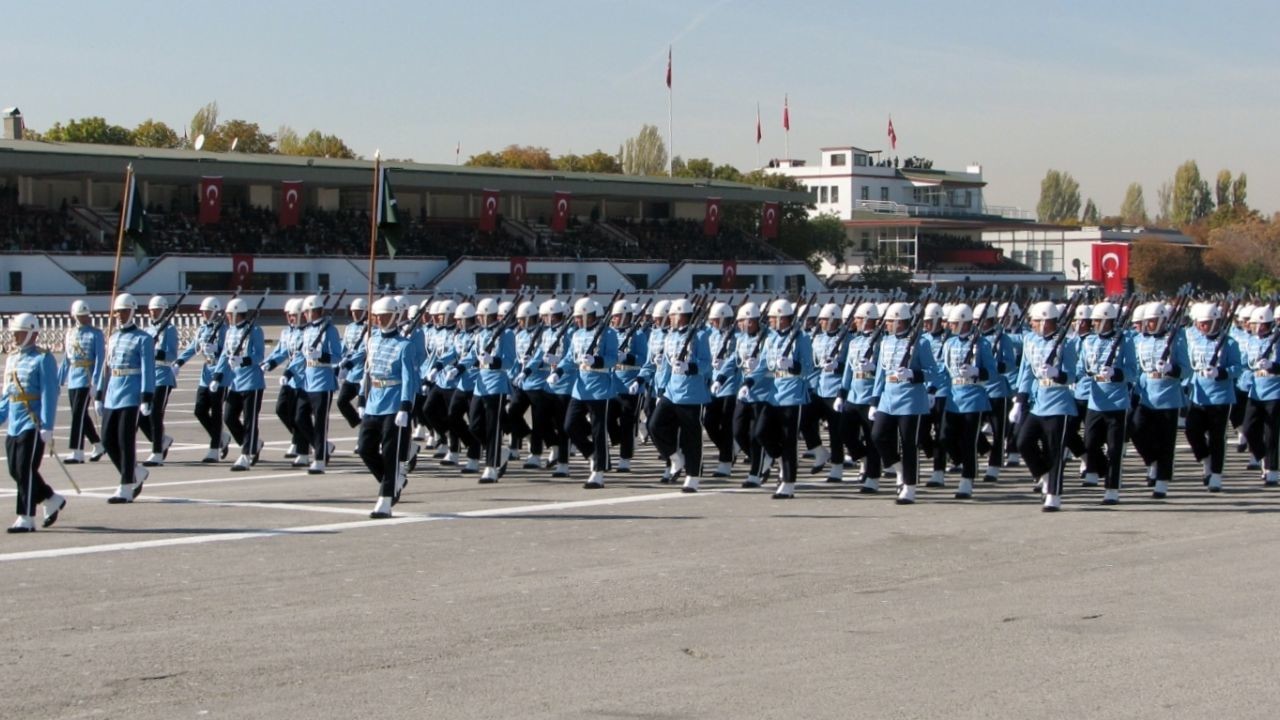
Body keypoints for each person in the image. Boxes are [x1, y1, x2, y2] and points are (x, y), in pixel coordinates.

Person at [1010, 301, 1078, 511]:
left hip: (1059, 404)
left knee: (1054, 452)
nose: (1032, 323)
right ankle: (1044, 475)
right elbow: (1027, 372)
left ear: (1047, 321)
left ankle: (1054, 495)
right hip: (1038, 403)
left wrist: (1058, 374)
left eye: (1036, 320)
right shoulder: (1031, 341)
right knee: (1023, 442)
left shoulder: (1066, 343)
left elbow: (1073, 375)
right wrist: (1019, 401)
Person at [869, 302, 937, 505]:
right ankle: (899, 469)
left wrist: (914, 374)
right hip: (888, 398)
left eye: (890, 321)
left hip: (911, 400)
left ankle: (909, 487)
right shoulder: (886, 342)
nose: (886, 324)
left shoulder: (921, 342)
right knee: (877, 436)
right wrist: (875, 400)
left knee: (909, 444)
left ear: (900, 321)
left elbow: (934, 372)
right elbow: (881, 374)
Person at [2, 313, 63, 532]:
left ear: (32, 333)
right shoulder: (12, 358)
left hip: (33, 422)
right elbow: (7, 393)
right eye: (15, 333)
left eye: (19, 333)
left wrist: (47, 425)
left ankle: (26, 517)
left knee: (25, 469)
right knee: (14, 470)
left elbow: (49, 393)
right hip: (15, 423)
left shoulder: (43, 359)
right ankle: (50, 497)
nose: (15, 337)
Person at [748, 299, 813, 499]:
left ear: (783, 318)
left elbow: (809, 368)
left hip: (793, 394)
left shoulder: (801, 338)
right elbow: (764, 366)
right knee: (760, 432)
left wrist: (793, 365)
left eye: (773, 318)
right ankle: (777, 458)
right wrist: (749, 382)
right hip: (774, 393)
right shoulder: (771, 339)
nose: (770, 321)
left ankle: (788, 482)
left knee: (788, 441)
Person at [358, 297, 415, 519]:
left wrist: (405, 406)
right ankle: (392, 482)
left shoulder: (405, 345)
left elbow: (408, 378)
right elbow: (367, 371)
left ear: (395, 316)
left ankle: (385, 499)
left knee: (391, 454)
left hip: (393, 403)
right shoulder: (371, 340)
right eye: (377, 316)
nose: (379, 320)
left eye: (383, 316)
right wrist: (362, 399)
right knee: (365, 448)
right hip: (374, 401)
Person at [645, 297, 710, 492]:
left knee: (692, 437)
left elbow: (706, 364)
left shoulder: (699, 336)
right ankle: (675, 457)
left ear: (683, 316)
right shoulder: (670, 336)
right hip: (672, 392)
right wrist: (661, 389)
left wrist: (690, 367)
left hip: (692, 394)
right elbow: (665, 365)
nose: (670, 318)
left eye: (674, 314)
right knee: (654, 425)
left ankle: (693, 476)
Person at [98, 293, 156, 503]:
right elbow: (107, 367)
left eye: (124, 311)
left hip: (131, 393)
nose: (120, 315)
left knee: (125, 440)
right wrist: (99, 393)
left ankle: (126, 486)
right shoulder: (112, 337)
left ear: (132, 311)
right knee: (106, 439)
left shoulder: (143, 338)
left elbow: (147, 369)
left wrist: (146, 395)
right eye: (118, 312)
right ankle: (134, 472)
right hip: (113, 393)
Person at [1078, 301, 1137, 504]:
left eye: (1097, 320)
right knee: (1090, 444)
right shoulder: (1088, 341)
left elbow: (1133, 372)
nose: (1093, 323)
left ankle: (1112, 488)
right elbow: (1081, 367)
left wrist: (1117, 373)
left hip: (1117, 402)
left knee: (1114, 449)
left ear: (1108, 321)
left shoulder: (1125, 341)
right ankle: (1104, 471)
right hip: (1095, 401)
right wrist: (1088, 373)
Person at [1131, 302, 1190, 498]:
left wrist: (1171, 370)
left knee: (1166, 442)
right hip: (1146, 395)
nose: (1149, 325)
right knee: (1136, 430)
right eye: (1147, 322)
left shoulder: (1175, 339)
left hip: (1168, 397)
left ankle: (1162, 481)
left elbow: (1187, 369)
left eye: (1153, 321)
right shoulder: (1141, 340)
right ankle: (1152, 462)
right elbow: (1139, 368)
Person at [560, 297, 620, 488]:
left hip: (600, 388)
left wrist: (598, 361)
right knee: (570, 425)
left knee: (598, 431)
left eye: (579, 317)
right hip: (580, 388)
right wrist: (559, 370)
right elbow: (570, 358)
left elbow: (613, 358)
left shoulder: (608, 333)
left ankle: (598, 472)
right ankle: (591, 454)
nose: (576, 320)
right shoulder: (576, 335)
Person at [938, 304, 996, 499]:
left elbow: (992, 372)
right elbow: (944, 372)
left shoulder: (982, 344)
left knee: (969, 440)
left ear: (964, 323)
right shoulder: (949, 344)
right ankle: (962, 462)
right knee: (946, 437)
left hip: (974, 397)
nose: (950, 326)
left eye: (954, 323)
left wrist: (977, 372)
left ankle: (967, 480)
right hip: (954, 396)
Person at [1183, 302, 1241, 493]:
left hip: (1221, 398)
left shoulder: (1230, 342)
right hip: (1198, 395)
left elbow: (1237, 368)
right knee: (1192, 431)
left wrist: (1220, 372)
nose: (1203, 327)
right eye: (1200, 323)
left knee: (1217, 437)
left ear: (1216, 322)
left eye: (1207, 323)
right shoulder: (1195, 341)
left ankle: (1216, 473)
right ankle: (1205, 459)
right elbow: (1191, 364)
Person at [212, 298, 266, 471]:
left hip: (252, 382)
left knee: (250, 420)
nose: (227, 317)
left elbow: (259, 356)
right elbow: (224, 356)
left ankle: (246, 455)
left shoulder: (255, 330)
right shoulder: (229, 332)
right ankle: (250, 444)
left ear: (236, 313)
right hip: (235, 382)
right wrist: (217, 376)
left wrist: (243, 360)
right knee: (228, 416)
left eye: (229, 314)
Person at [175, 296, 230, 463]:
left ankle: (214, 448)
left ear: (215, 311)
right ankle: (221, 436)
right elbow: (194, 346)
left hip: (221, 374)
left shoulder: (224, 329)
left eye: (207, 311)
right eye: (203, 312)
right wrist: (179, 361)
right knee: (199, 410)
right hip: (206, 373)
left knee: (216, 411)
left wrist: (217, 350)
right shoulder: (202, 329)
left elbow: (228, 352)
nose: (204, 314)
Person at [292, 294, 344, 474]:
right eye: (305, 311)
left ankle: (320, 459)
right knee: (299, 417)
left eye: (309, 311)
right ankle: (322, 446)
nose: (306, 314)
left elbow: (337, 356)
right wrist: (289, 371)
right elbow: (301, 355)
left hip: (323, 382)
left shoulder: (330, 330)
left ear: (317, 311)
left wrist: (321, 356)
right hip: (307, 381)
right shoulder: (306, 331)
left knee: (321, 423)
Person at [467, 298, 516, 483]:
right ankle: (497, 452)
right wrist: (458, 367)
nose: (478, 318)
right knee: (474, 425)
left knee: (493, 427)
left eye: (481, 315)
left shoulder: (506, 334)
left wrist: (493, 361)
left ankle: (491, 467)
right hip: (480, 384)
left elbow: (510, 361)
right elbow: (473, 355)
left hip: (497, 383)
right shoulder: (479, 334)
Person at [839, 302, 884, 493]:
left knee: (872, 438)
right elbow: (849, 370)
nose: (855, 321)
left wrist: (873, 371)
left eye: (858, 318)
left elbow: (884, 371)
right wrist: (842, 392)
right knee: (844, 433)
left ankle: (873, 477)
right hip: (854, 395)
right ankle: (863, 458)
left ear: (866, 319)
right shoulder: (854, 342)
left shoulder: (881, 342)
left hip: (870, 396)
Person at [58, 299, 105, 464]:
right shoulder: (70, 333)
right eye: (80, 315)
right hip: (73, 378)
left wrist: (96, 383)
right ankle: (98, 444)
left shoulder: (96, 333)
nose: (84, 318)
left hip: (87, 377)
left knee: (78, 414)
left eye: (85, 315)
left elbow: (100, 360)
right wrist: (59, 380)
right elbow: (66, 359)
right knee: (80, 415)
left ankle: (77, 451)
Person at [140, 295, 178, 466]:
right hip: (148, 377)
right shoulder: (147, 330)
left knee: (156, 414)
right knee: (142, 415)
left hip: (163, 377)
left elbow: (172, 355)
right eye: (151, 310)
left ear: (163, 310)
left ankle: (156, 452)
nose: (153, 313)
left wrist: (157, 353)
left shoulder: (169, 330)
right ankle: (161, 440)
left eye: (156, 310)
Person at [703, 301, 738, 478]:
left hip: (731, 384)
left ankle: (725, 462)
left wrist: (726, 364)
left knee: (726, 425)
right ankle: (728, 449)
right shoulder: (711, 334)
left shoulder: (737, 335)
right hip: (714, 384)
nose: (713, 323)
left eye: (716, 320)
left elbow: (737, 358)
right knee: (709, 422)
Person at [335, 297, 369, 436]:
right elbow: (344, 347)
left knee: (364, 408)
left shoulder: (370, 328)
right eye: (353, 312)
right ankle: (359, 424)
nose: (355, 314)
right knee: (341, 402)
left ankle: (365, 434)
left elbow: (363, 351)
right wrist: (340, 361)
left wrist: (349, 363)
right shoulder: (349, 328)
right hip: (350, 374)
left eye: (358, 311)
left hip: (363, 374)